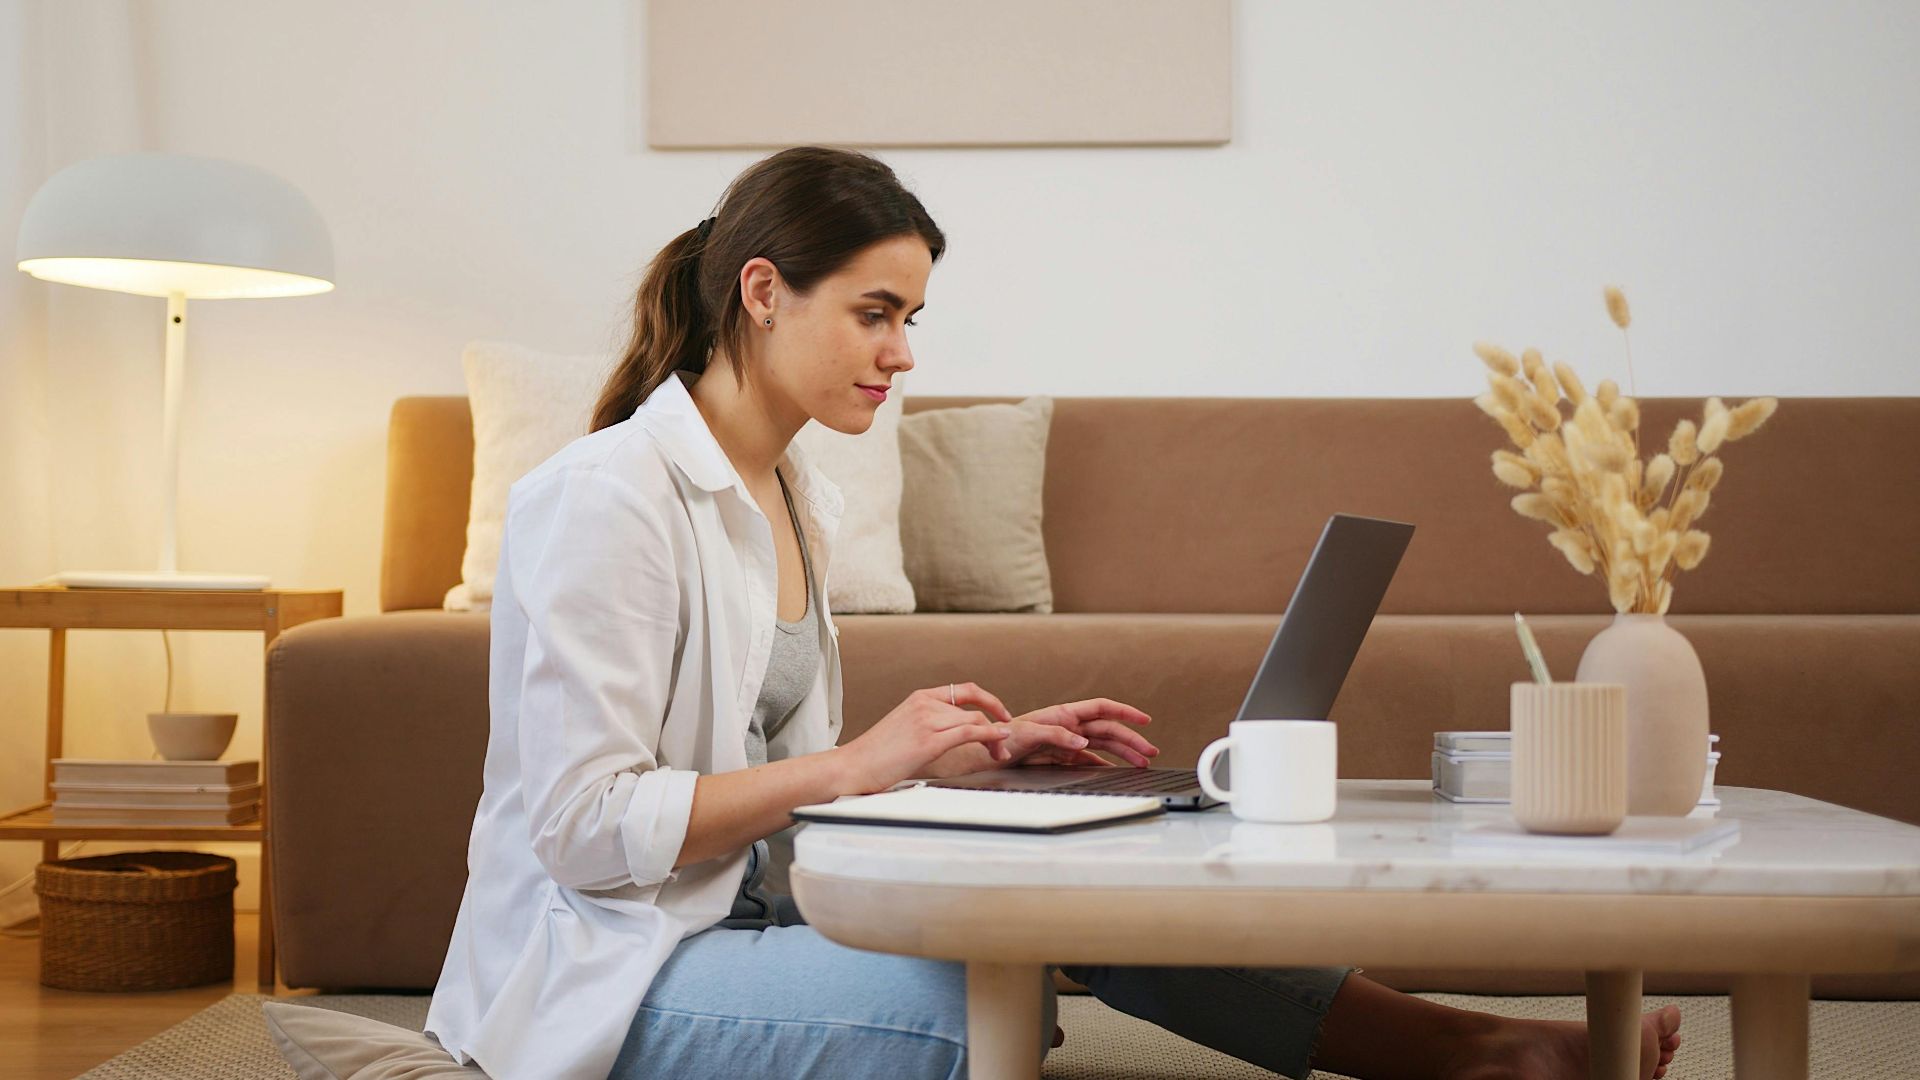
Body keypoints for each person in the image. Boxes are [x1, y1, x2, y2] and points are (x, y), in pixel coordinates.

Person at [422, 146, 1684, 1080]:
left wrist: (963, 763)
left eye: (910, 318)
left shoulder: (790, 489)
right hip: (614, 972)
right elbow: (582, 829)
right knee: (972, 1011)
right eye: (876, 313)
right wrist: (858, 764)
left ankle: (1466, 1050)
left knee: (1087, 866)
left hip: (755, 900)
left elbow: (764, 776)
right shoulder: (606, 500)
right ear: (762, 291)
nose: (903, 351)